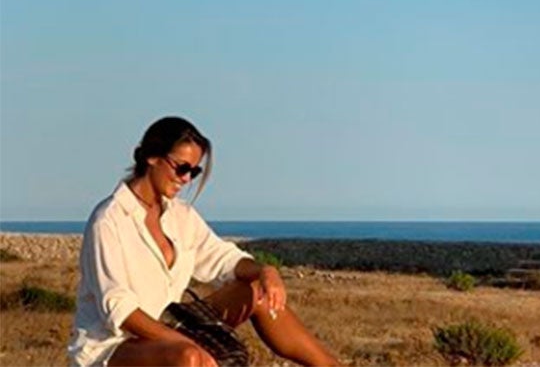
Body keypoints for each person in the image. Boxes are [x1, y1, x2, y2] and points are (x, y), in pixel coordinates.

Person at [68, 117, 340, 367]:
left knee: (256, 290)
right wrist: (188, 343)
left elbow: (222, 259)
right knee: (189, 358)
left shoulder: (180, 216)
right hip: (112, 346)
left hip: (170, 325)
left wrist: (265, 271)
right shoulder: (109, 220)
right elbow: (119, 310)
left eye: (194, 172)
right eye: (181, 167)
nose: (186, 179)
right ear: (152, 157)